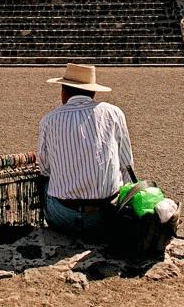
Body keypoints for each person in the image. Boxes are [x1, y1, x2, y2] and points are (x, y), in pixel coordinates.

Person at [37, 64, 134, 240]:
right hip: (106, 214)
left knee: (43, 182)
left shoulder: (49, 120)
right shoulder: (114, 113)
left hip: (63, 216)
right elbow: (127, 164)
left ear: (63, 92)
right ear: (93, 92)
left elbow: (44, 167)